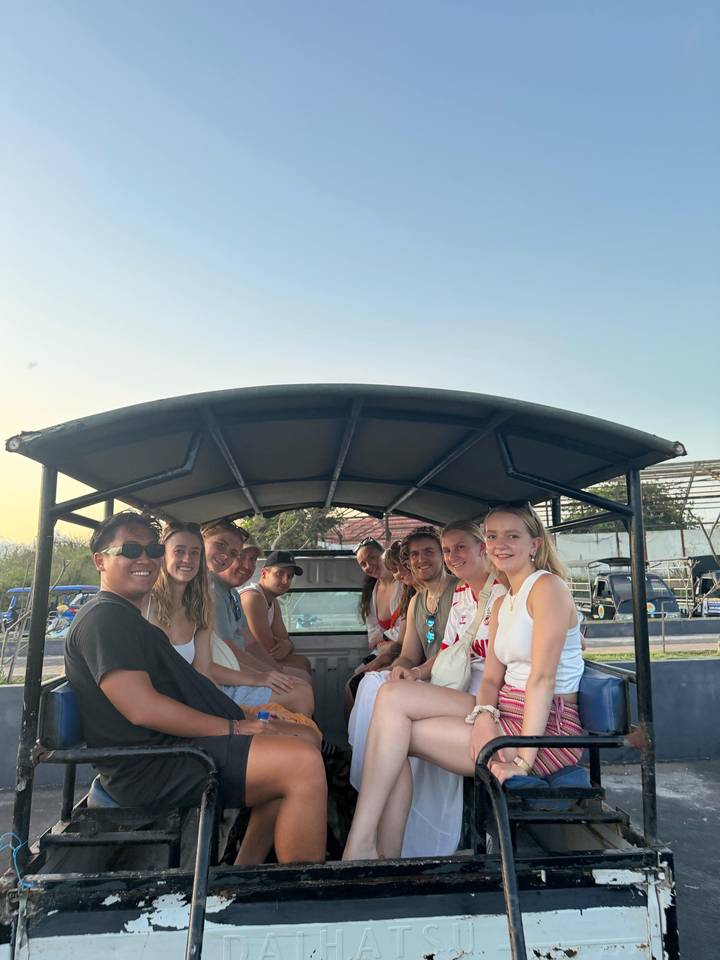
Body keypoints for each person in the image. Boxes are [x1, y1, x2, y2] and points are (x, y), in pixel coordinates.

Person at [65, 511, 327, 866]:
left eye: (152, 549)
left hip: (173, 747)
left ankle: (241, 871)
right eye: (129, 549)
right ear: (100, 560)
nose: (144, 558)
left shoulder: (130, 618)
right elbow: (143, 709)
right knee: (303, 764)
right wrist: (234, 727)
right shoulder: (104, 619)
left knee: (301, 739)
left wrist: (242, 714)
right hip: (150, 765)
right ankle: (305, 892)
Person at [343, 503, 584, 861]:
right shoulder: (505, 600)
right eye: (492, 536)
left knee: (395, 737)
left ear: (534, 544)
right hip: (506, 709)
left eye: (512, 536)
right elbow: (489, 678)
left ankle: (371, 851)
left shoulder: (547, 588)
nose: (499, 544)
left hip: (546, 728)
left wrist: (522, 763)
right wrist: (485, 716)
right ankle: (373, 849)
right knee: (390, 695)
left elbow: (542, 680)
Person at [351, 520, 505, 856]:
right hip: (462, 689)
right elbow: (446, 650)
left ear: (483, 549)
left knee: (388, 698)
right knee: (390, 729)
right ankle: (388, 854)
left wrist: (484, 713)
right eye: (448, 550)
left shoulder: (507, 595)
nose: (452, 557)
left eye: (458, 548)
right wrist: (417, 672)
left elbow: (500, 676)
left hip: (491, 702)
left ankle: (360, 843)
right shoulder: (464, 594)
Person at [347, 526, 458, 798]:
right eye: (414, 555)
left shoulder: (460, 590)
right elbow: (408, 654)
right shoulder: (418, 599)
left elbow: (456, 650)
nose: (421, 559)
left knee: (382, 691)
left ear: (443, 556)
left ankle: (389, 789)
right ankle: (369, 781)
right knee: (370, 684)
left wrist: (414, 673)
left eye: (429, 552)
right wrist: (395, 670)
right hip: (426, 675)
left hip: (450, 678)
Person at [201, 521, 314, 716]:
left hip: (233, 673)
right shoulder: (212, 591)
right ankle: (302, 739)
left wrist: (276, 672)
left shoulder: (233, 595)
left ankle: (304, 735)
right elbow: (231, 650)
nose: (246, 565)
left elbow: (251, 644)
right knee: (300, 691)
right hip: (222, 682)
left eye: (252, 558)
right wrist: (266, 675)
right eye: (240, 556)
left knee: (298, 681)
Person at [145, 520, 214, 680]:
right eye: (179, 551)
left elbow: (203, 672)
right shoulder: (144, 601)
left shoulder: (203, 606)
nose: (187, 559)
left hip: (184, 697)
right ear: (163, 556)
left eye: (195, 552)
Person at [239, 551, 312, 678]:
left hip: (256, 661)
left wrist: (287, 645)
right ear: (264, 573)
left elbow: (285, 641)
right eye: (279, 574)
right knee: (302, 672)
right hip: (242, 665)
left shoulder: (273, 602)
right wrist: (284, 645)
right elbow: (268, 650)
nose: (285, 581)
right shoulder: (253, 597)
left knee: (303, 662)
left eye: (289, 576)